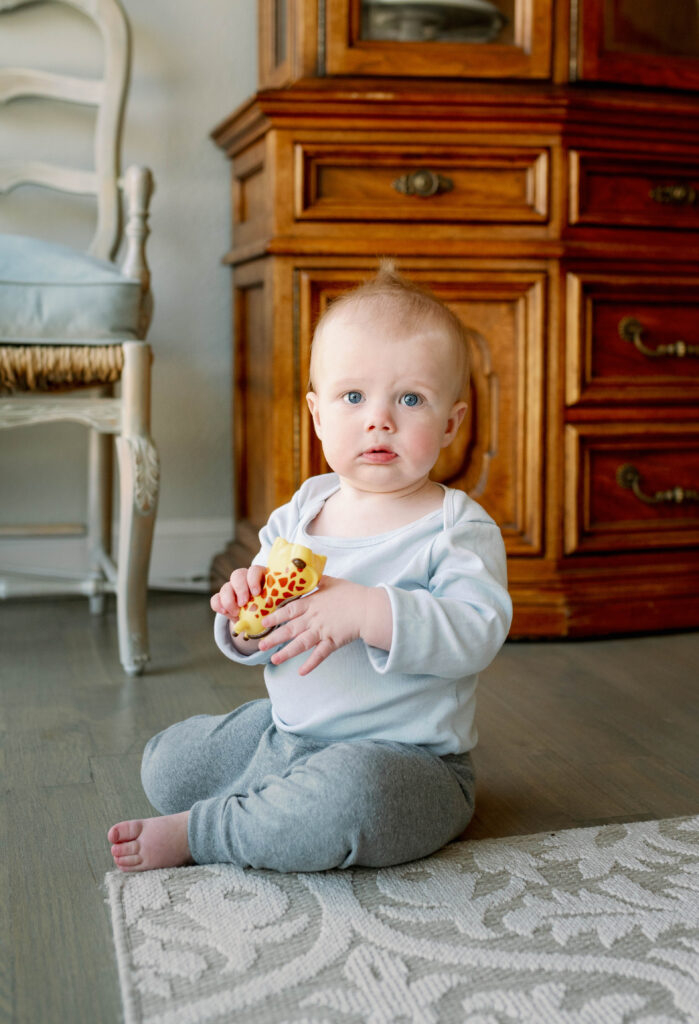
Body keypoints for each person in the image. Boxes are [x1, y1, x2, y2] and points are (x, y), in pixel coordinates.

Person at [108, 264, 512, 873]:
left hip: (407, 763)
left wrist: (369, 610)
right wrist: (244, 616)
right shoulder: (303, 511)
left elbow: (477, 631)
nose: (380, 419)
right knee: (167, 765)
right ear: (318, 415)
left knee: (353, 799)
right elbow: (266, 632)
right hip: (289, 736)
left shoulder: (455, 527)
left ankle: (209, 833)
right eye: (354, 397)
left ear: (451, 423)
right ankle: (272, 801)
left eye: (411, 399)